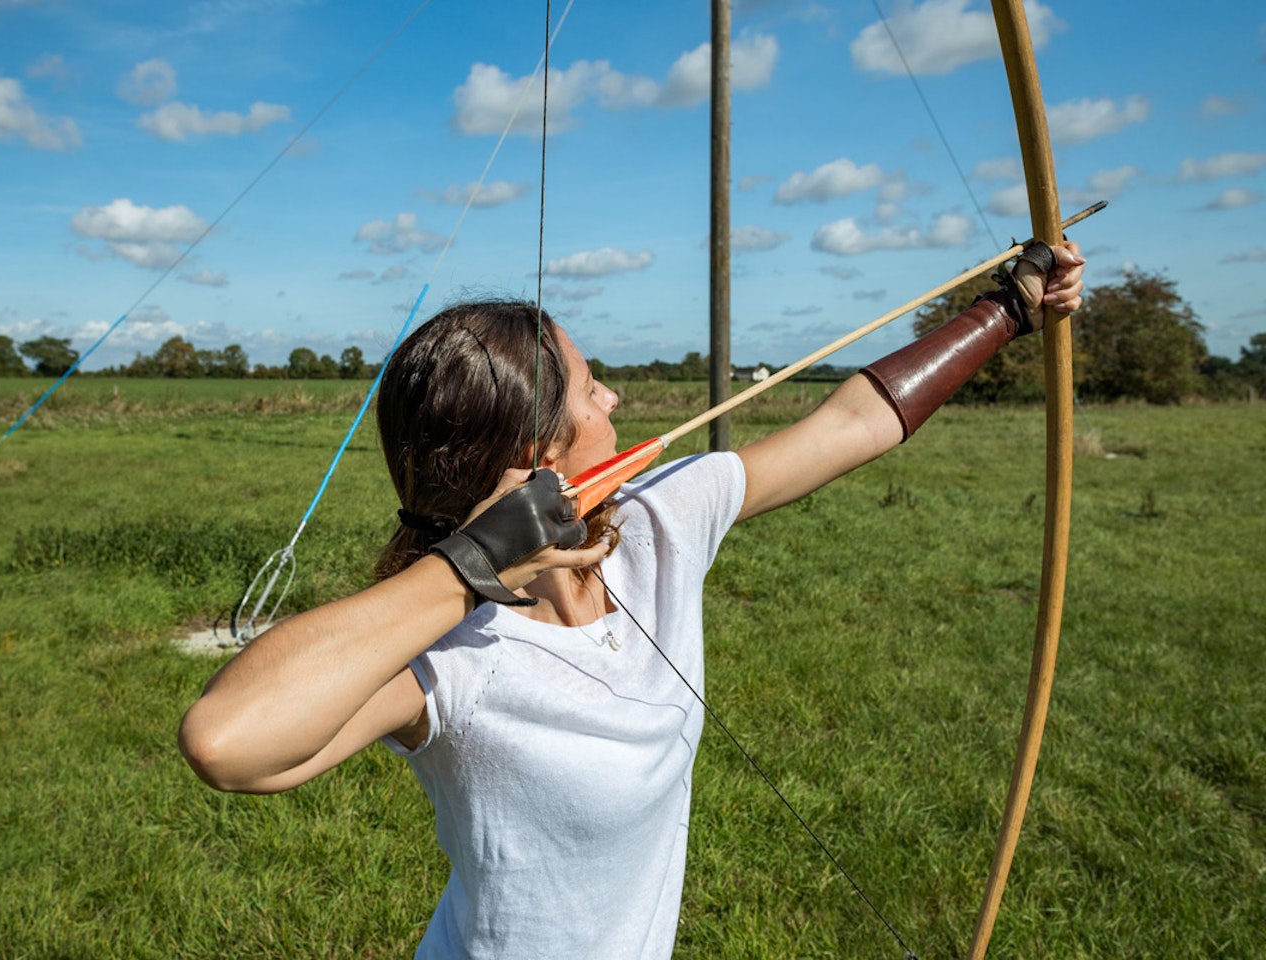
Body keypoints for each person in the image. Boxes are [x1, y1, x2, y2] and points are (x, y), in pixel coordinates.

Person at [178, 241, 1087, 958]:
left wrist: (1006, 310)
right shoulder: (449, 653)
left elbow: (854, 422)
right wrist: (469, 567)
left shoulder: (658, 520)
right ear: (538, 469)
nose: (613, 394)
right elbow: (227, 743)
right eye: (587, 388)